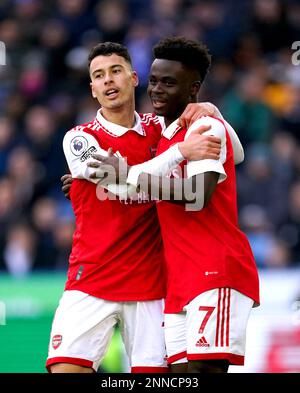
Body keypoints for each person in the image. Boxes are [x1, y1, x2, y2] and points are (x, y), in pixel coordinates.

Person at [46, 41, 227, 374]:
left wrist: (209, 109)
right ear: (92, 89)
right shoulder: (80, 137)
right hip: (92, 278)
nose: (108, 81)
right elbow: (118, 183)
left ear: (133, 77)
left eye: (115, 71)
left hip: (152, 283)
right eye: (98, 76)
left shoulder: (163, 129)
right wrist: (180, 153)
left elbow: (216, 148)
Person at [89, 37, 259, 373]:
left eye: (169, 82)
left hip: (216, 271)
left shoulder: (204, 126)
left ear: (193, 88)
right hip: (179, 281)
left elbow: (198, 195)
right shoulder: (166, 135)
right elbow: (236, 154)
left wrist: (128, 177)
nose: (157, 90)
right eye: (153, 81)